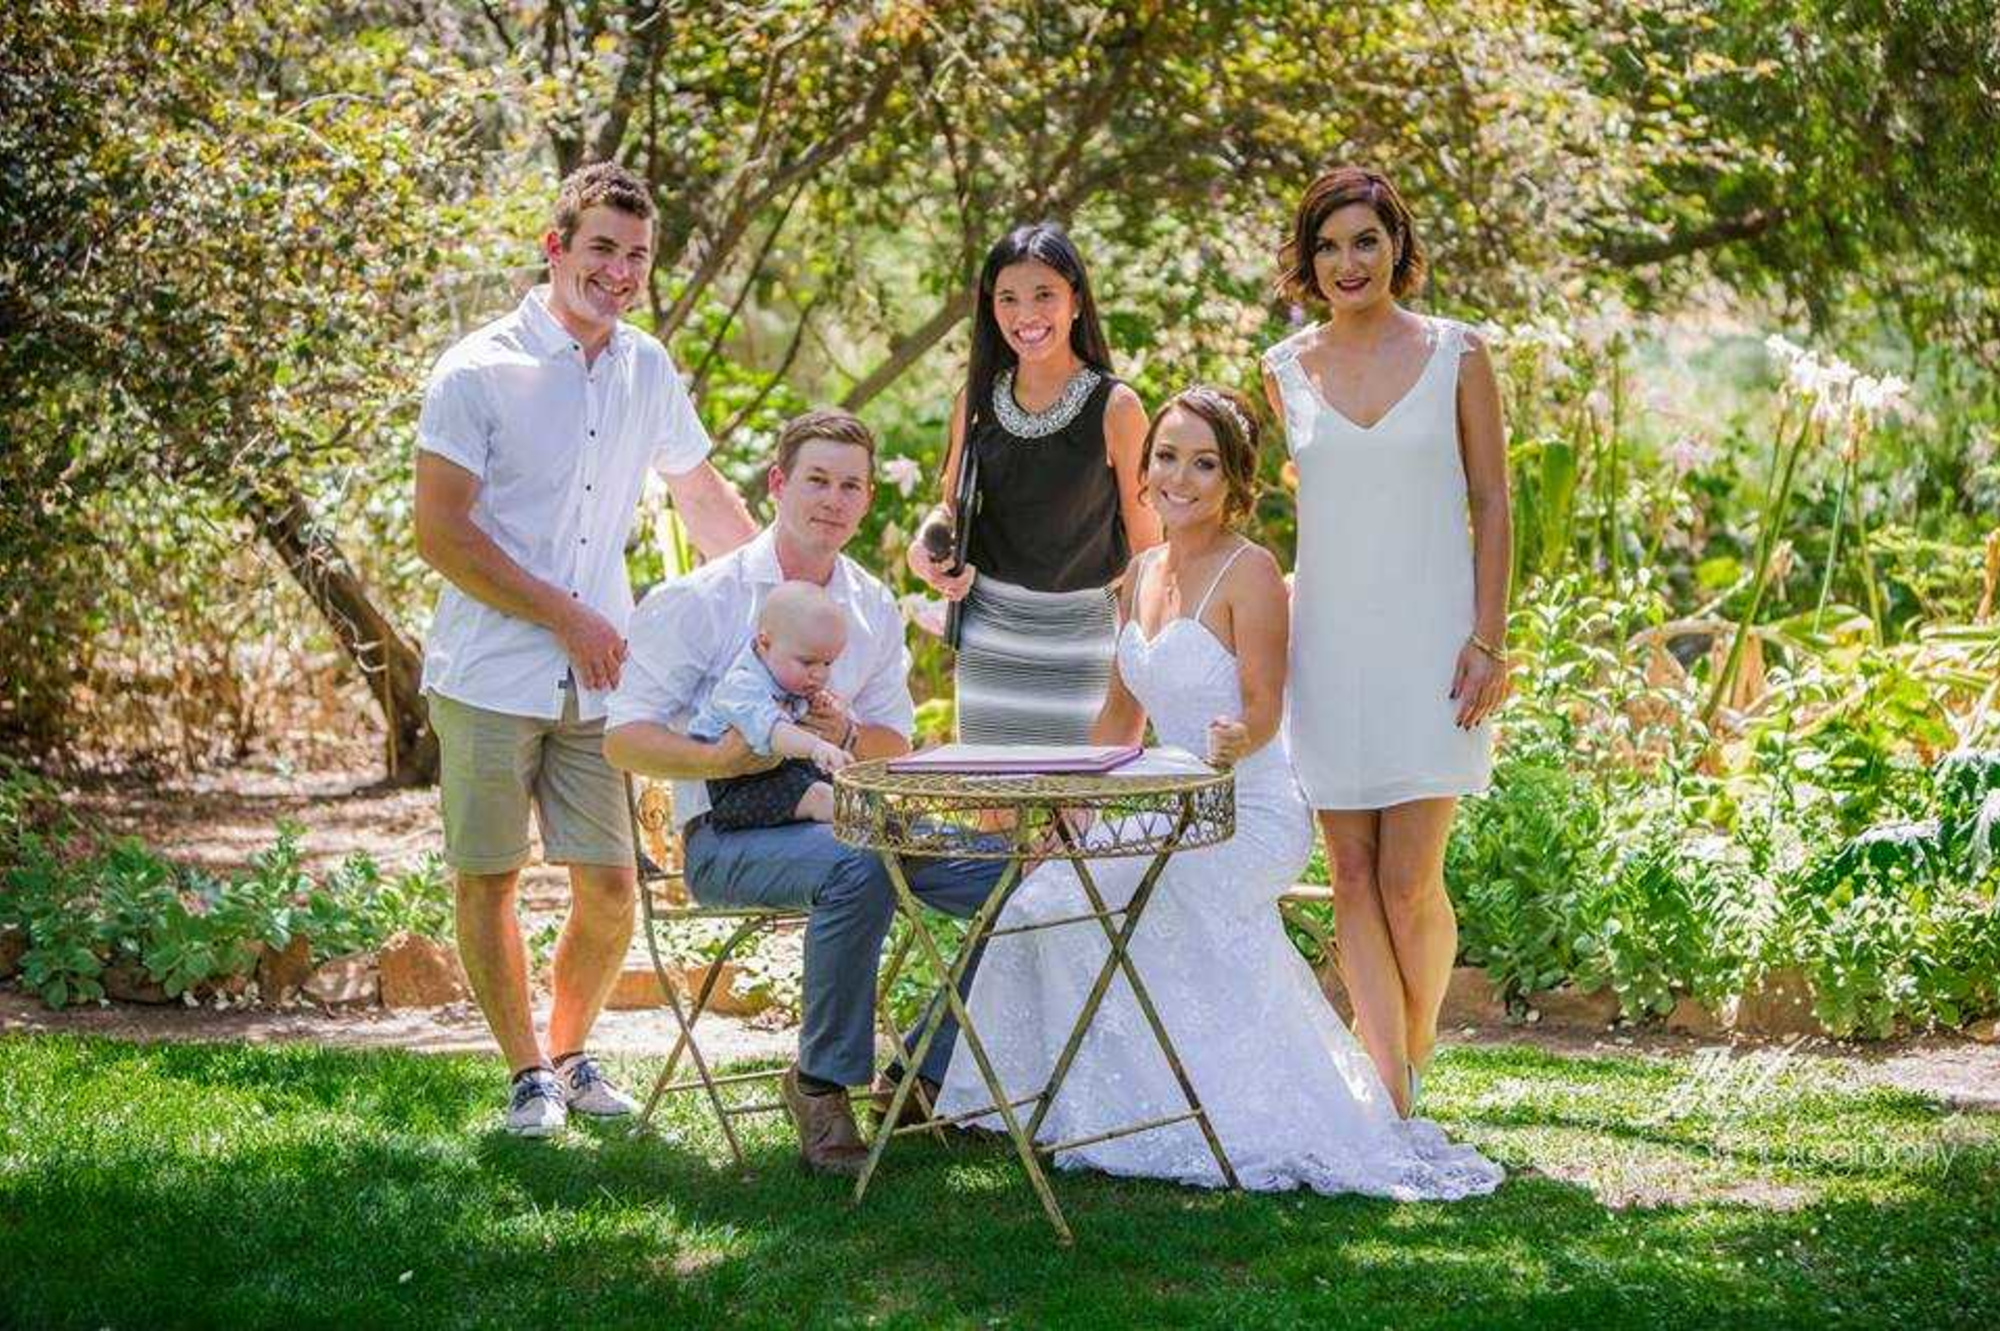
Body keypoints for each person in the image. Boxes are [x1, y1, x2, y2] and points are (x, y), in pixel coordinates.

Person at [934, 387, 1503, 1200]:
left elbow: (1266, 707)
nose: (1180, 476)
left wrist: (1240, 736)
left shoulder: (1252, 571)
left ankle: (1223, 1109)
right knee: (1047, 896)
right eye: (1166, 457)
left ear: (1235, 480)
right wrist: (1071, 808)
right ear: (1143, 470)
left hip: (1250, 810)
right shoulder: (1138, 574)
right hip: (1171, 806)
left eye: (1203, 463)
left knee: (1166, 901)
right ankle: (1083, 1103)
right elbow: (1118, 717)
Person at [412, 161, 758, 1138]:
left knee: (608, 887)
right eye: (602, 246)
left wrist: (796, 583)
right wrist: (566, 613)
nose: (619, 270)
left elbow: (699, 492)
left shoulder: (647, 366)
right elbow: (438, 531)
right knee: (489, 878)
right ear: (554, 246)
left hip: (600, 680)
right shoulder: (476, 368)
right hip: (488, 672)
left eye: (637, 255)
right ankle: (525, 1072)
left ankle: (569, 1053)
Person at [603, 408, 1007, 1176]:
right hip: (730, 840)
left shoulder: (871, 606)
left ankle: (924, 1072)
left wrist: (845, 731)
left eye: (851, 485)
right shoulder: (702, 599)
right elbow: (622, 737)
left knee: (1020, 873)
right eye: (817, 479)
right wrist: (724, 758)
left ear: (866, 500)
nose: (834, 498)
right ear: (780, 483)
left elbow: (891, 743)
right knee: (857, 861)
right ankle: (821, 1086)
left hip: (856, 821)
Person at [1260, 165, 1513, 1117]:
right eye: (1327, 245)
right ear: (1308, 260)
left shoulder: (1458, 352)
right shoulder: (1286, 369)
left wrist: (1488, 638)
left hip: (1433, 645)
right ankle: (1395, 1098)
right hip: (1327, 646)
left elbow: (1491, 499)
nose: (1347, 262)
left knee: (1410, 882)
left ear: (1397, 247)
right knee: (1351, 875)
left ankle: (1414, 1052)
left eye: (1364, 240)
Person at [905, 222, 1161, 744]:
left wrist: (1137, 659)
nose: (1026, 316)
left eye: (1044, 295)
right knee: (995, 809)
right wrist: (926, 544)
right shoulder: (974, 400)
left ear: (1075, 300)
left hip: (1086, 638)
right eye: (1008, 299)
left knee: (1079, 817)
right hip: (991, 635)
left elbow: (1149, 551)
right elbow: (949, 505)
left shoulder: (1117, 407)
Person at [684, 580, 853, 829]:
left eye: (827, 663)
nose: (819, 675)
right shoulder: (742, 686)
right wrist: (817, 747)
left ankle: (886, 825)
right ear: (764, 643)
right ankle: (874, 827)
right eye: (808, 662)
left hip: (783, 771)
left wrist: (821, 708)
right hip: (740, 786)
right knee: (821, 796)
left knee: (842, 785)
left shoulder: (788, 678)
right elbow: (774, 731)